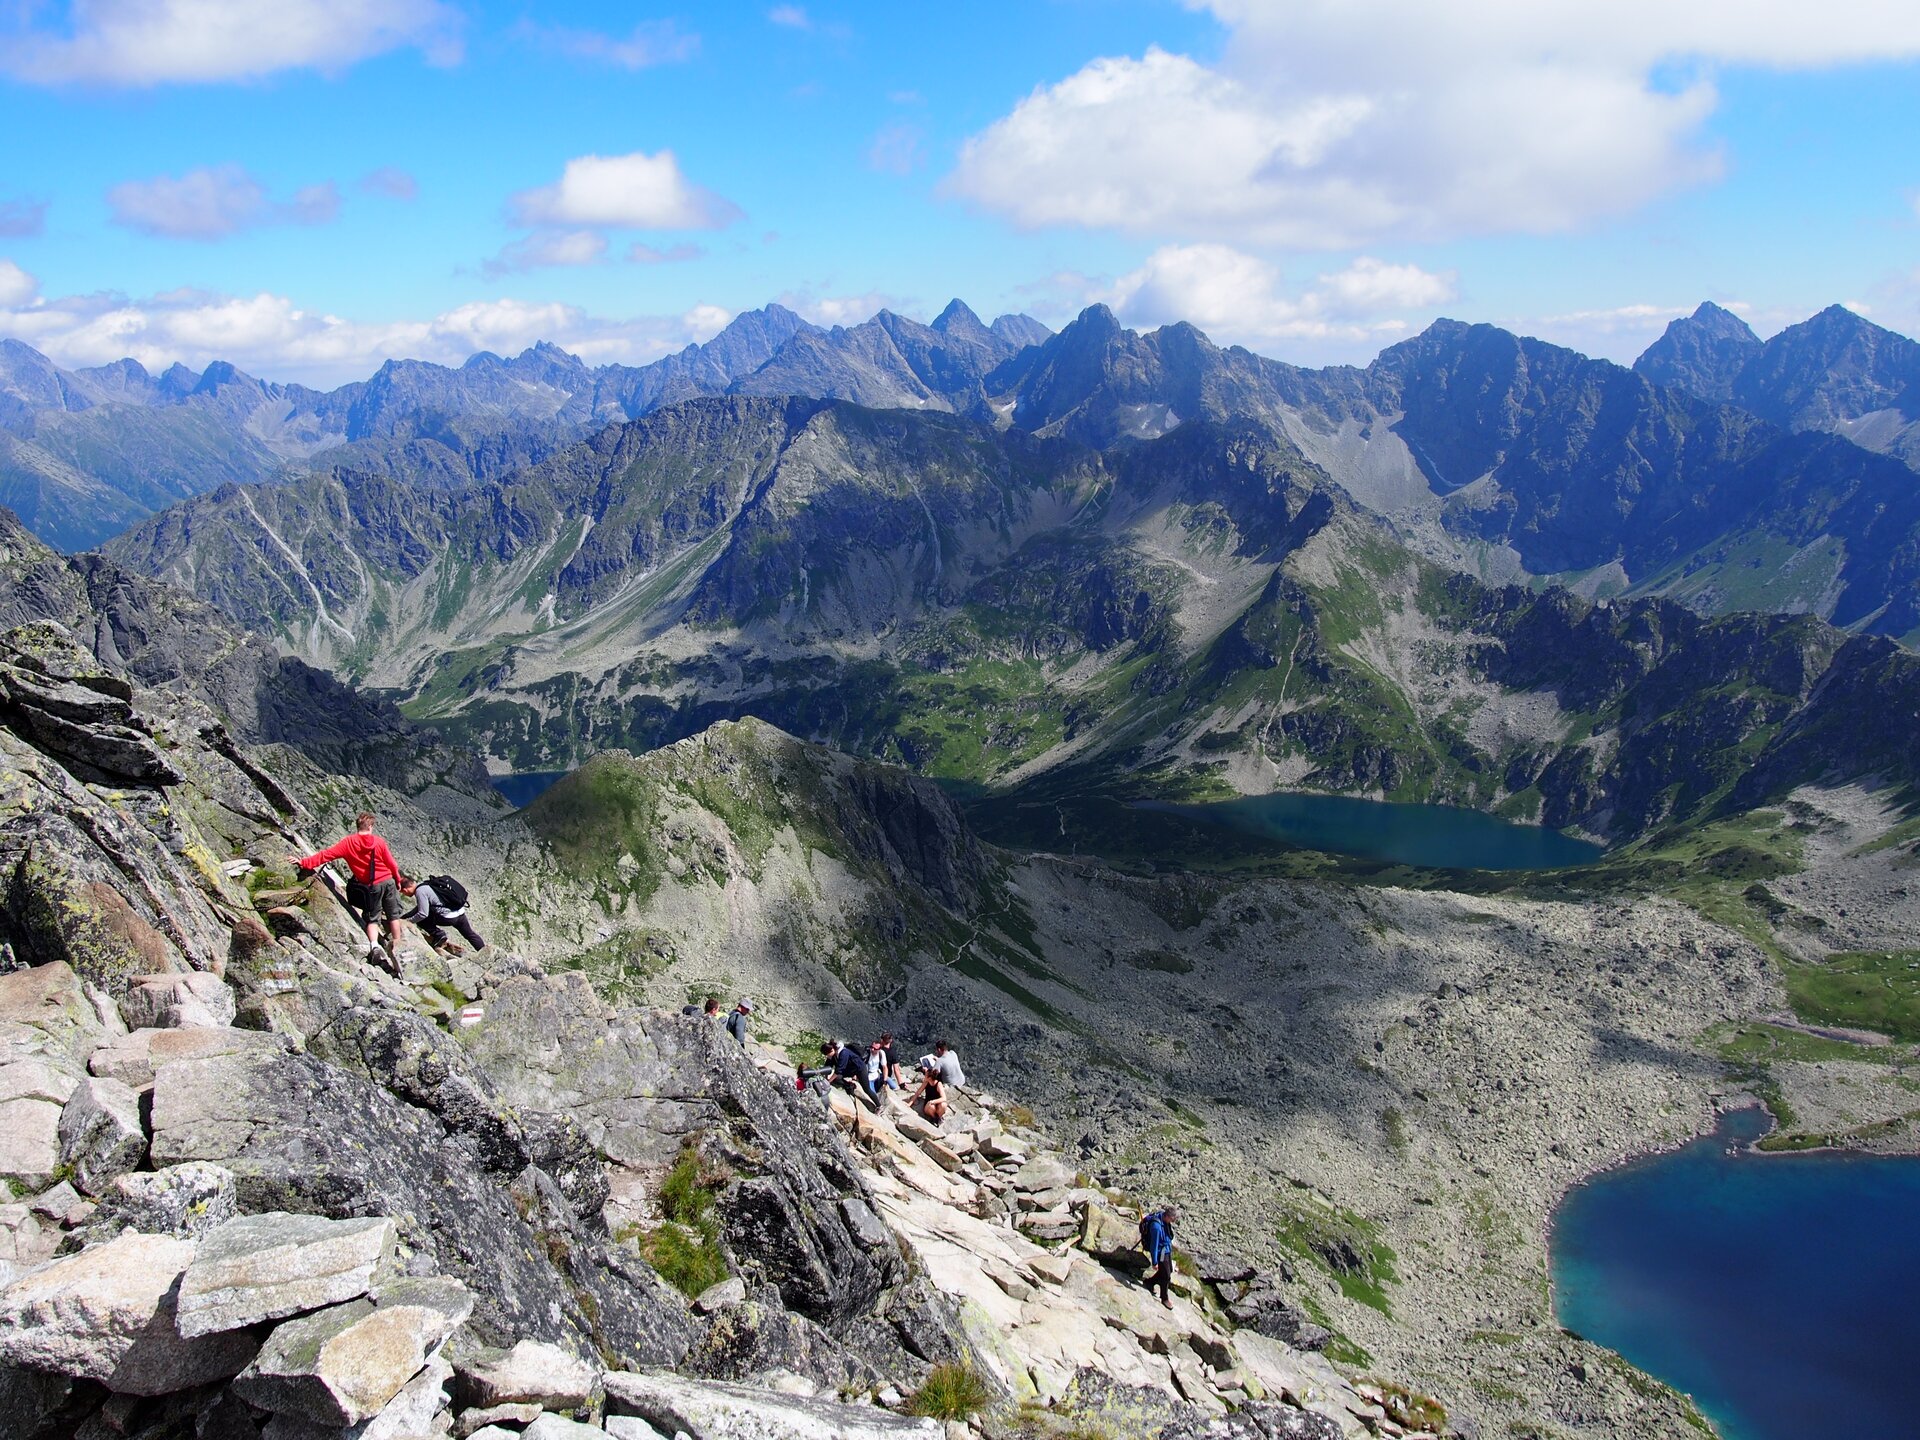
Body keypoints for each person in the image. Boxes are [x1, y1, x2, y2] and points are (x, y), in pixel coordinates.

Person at [290, 813, 406, 967]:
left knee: (372, 918)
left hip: (372, 886)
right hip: (388, 881)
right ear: (370, 826)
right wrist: (397, 879)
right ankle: (397, 948)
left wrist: (304, 863)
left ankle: (375, 946)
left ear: (358, 826)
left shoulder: (348, 843)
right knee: (393, 916)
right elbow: (392, 864)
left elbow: (327, 855)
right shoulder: (379, 842)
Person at [397, 875, 485, 954]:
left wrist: (407, 922)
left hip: (448, 917)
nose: (404, 894)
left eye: (403, 892)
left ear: (405, 889)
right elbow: (418, 908)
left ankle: (439, 935)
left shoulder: (420, 892)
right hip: (459, 912)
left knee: (421, 920)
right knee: (470, 934)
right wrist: (404, 917)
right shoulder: (427, 885)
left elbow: (422, 914)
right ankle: (485, 953)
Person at [1140, 1204, 1179, 1310]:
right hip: (1161, 1252)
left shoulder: (1164, 1219)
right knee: (1166, 1276)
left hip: (1166, 1249)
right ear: (1167, 1216)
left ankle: (1149, 1282)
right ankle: (1164, 1298)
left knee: (1168, 1270)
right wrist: (1155, 1262)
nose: (1173, 1221)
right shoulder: (1156, 1227)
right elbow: (1154, 1245)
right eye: (1173, 1219)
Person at [823, 1039, 879, 1109]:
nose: (827, 1056)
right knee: (837, 1078)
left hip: (860, 1069)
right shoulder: (832, 1055)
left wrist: (828, 1082)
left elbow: (838, 1070)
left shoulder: (844, 1053)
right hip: (850, 1069)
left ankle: (879, 1105)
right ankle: (849, 1085)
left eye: (827, 1054)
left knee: (866, 1089)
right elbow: (828, 1066)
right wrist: (826, 1078)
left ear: (831, 1050)